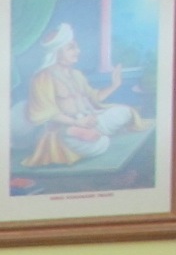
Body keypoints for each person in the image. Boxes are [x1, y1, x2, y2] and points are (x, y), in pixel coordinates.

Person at [24, 25, 148, 168]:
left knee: (124, 112)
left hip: (92, 119)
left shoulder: (76, 74)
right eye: (71, 48)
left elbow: (95, 98)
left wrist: (115, 85)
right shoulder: (42, 78)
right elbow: (45, 113)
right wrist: (77, 123)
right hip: (63, 130)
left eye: (76, 47)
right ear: (56, 52)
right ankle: (80, 134)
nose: (78, 51)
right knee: (102, 144)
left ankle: (93, 131)